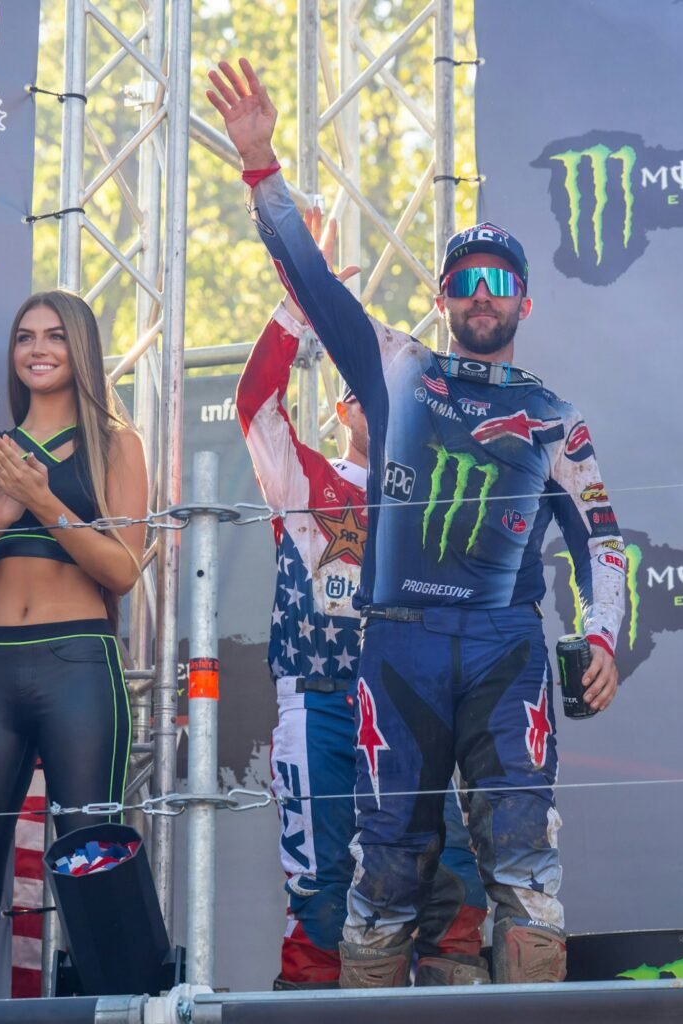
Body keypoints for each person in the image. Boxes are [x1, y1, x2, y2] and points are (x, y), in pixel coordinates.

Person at [207, 59, 627, 987]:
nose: (482, 292)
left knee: (522, 859)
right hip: (398, 643)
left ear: (524, 302)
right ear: (441, 299)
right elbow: (313, 283)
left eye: (499, 279)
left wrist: (600, 633)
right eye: (464, 279)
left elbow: (602, 537)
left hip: (506, 645)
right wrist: (260, 165)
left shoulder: (554, 415)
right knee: (386, 865)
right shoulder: (397, 369)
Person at [237, 231, 489, 988]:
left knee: (448, 883)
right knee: (320, 889)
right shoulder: (306, 481)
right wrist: (296, 306)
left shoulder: (443, 500)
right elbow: (256, 406)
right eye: (374, 386)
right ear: (344, 404)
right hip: (321, 704)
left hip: (415, 706)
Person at [0, 290, 149, 1000]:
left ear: (80, 350)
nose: (38, 349)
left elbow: (122, 571)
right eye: (25, 337)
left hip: (77, 667)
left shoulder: (118, 444)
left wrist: (45, 501)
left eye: (54, 336)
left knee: (94, 872)